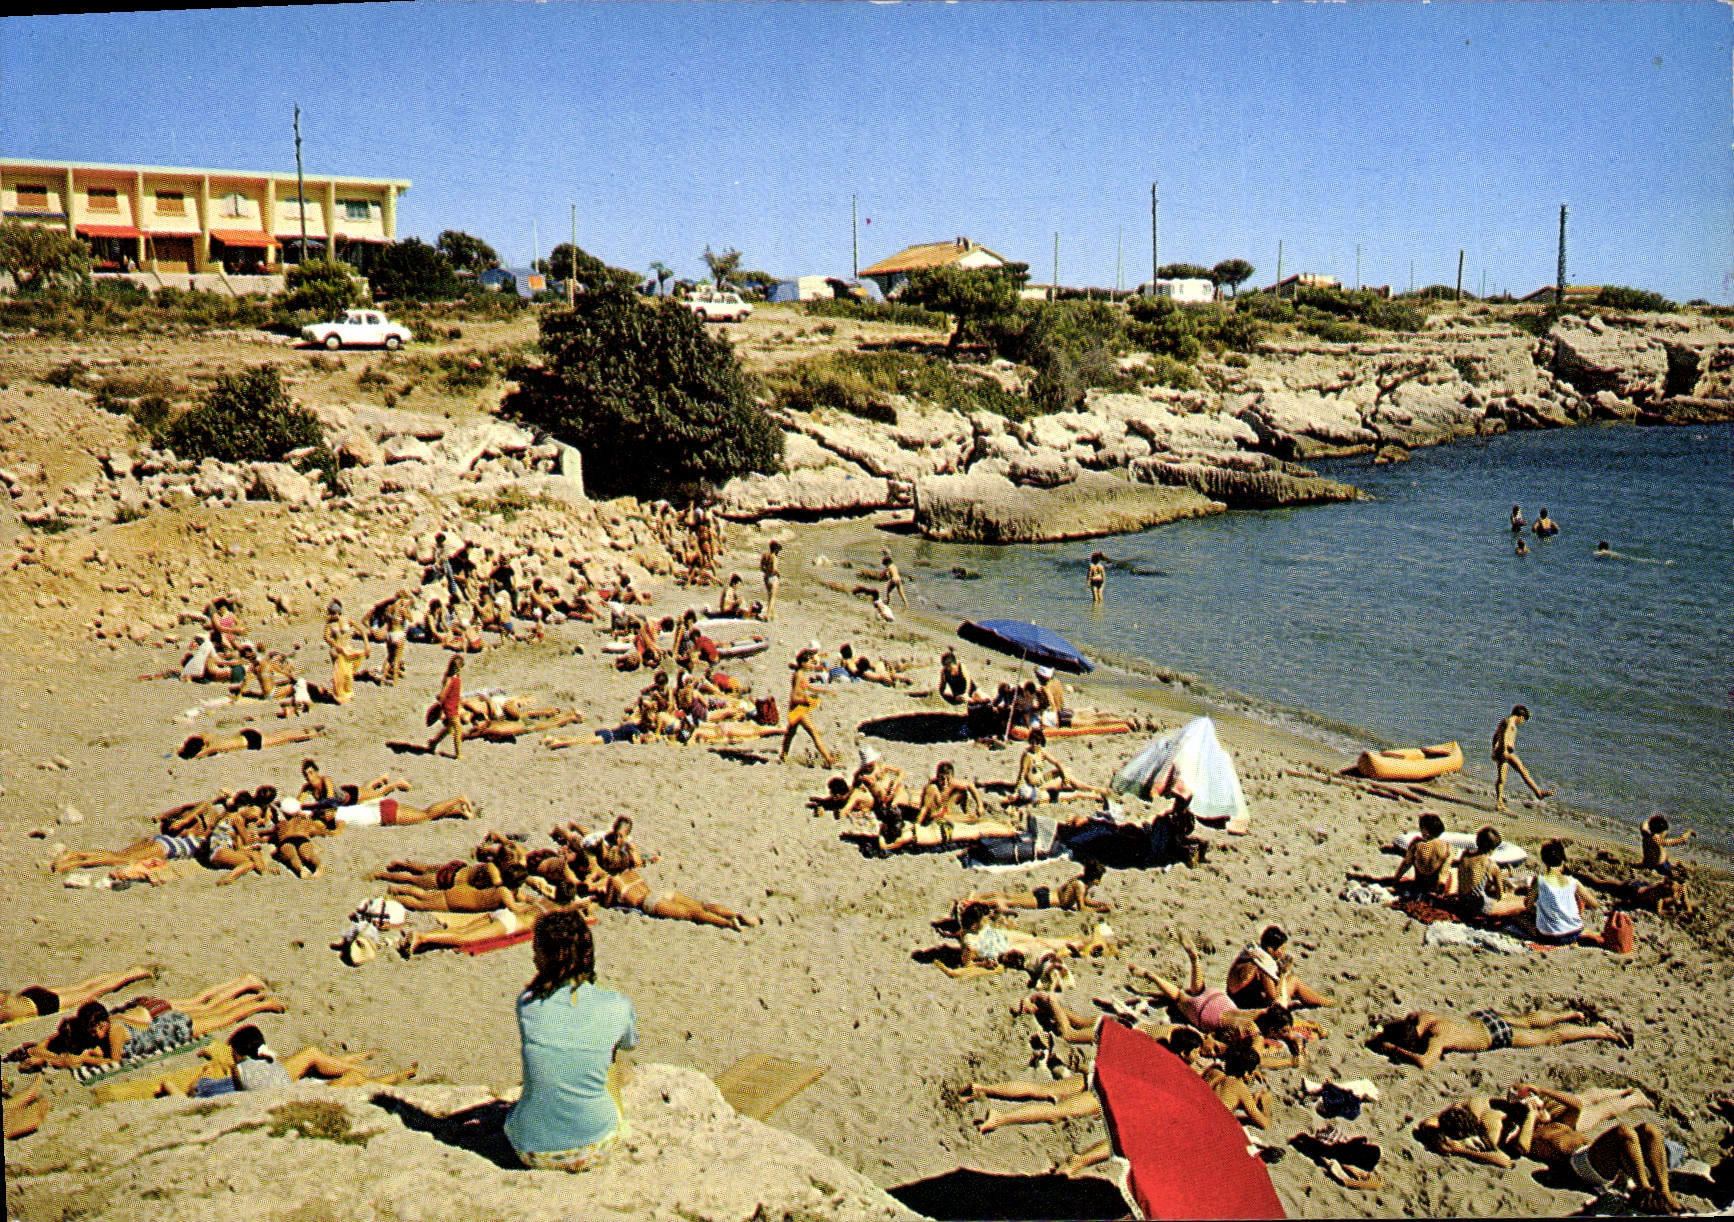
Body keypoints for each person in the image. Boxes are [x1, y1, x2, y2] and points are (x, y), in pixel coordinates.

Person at [501, 908, 637, 1173]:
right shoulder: (617, 1005)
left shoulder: (526, 1003)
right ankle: (614, 1121)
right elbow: (629, 1043)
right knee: (609, 1059)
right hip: (594, 1145)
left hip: (529, 1149)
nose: (532, 957)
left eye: (536, 952)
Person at [1422, 1084, 1682, 1214]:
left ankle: (1663, 1192)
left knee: (1648, 1129)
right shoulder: (1528, 1132)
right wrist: (1531, 1116)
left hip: (1596, 1157)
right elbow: (1520, 1149)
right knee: (1624, 1131)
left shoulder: (1560, 1123)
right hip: (1580, 1165)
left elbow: (1577, 1104)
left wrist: (1541, 1090)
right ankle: (1646, 1191)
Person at [17, 977, 286, 1071]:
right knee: (214, 1010)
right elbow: (50, 1044)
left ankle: (261, 1004)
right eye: (95, 1029)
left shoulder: (115, 1033)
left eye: (100, 1027)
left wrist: (86, 1060)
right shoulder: (107, 1027)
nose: (99, 1032)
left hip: (172, 1030)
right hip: (164, 1026)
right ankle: (255, 997)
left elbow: (114, 1061)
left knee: (222, 1016)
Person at [1126, 933, 1304, 1055]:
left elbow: (1279, 1002)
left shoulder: (1267, 1012)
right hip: (1206, 1014)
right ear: (1272, 1030)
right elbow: (1244, 1054)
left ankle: (1195, 960)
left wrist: (1282, 975)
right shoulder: (1252, 1033)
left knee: (1199, 990)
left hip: (1220, 999)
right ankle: (1151, 976)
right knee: (1179, 997)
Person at [1370, 1006, 1626, 1071]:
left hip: (1493, 1035)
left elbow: (1425, 1063)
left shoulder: (1438, 1037)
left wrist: (1395, 1049)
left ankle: (1600, 1031)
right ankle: (1572, 1014)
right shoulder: (1421, 1016)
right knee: (1528, 1019)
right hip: (1481, 1018)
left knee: (1551, 1038)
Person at [939, 902, 1113, 979]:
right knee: (1041, 946)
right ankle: (1087, 944)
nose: (987, 920)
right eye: (984, 919)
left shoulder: (972, 930)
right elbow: (967, 964)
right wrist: (983, 964)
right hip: (1004, 948)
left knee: (1042, 941)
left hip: (1004, 939)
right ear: (976, 923)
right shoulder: (970, 942)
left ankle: (1085, 941)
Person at [1225, 926, 1333, 1010]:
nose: (1282, 953)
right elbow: (1274, 1001)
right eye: (1281, 949)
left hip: (1234, 998)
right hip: (1246, 1007)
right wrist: (1283, 973)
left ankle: (1321, 1001)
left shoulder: (1251, 953)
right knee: (1294, 981)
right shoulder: (1263, 965)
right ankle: (1326, 1003)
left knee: (1289, 983)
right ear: (1270, 949)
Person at [956, 858, 1112, 916]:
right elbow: (1081, 908)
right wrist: (1099, 910)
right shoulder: (1080, 886)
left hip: (1045, 892)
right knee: (1009, 901)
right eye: (1098, 879)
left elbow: (1083, 901)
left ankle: (974, 898)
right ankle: (972, 903)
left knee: (1008, 896)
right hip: (1045, 900)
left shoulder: (1080, 880)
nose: (1099, 882)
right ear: (1094, 878)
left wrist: (1099, 904)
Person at [0, 967, 154, 1025]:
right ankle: (124, 972)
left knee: (92, 992)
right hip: (28, 995)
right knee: (82, 986)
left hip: (41, 1004)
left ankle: (135, 973)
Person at [1519, 839, 1598, 946]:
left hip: (1551, 938)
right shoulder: (1573, 882)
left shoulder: (1539, 881)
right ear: (1563, 860)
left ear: (1544, 860)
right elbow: (1594, 904)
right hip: (1575, 932)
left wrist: (1538, 911)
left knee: (1521, 917)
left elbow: (1528, 905)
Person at [1452, 826, 1526, 922]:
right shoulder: (1491, 865)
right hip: (1479, 908)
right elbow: (1500, 896)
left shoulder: (1465, 856)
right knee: (1522, 901)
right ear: (1493, 849)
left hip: (1462, 902)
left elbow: (1474, 875)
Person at [1011, 728, 1104, 805]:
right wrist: (1016, 791)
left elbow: (1057, 762)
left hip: (1042, 780)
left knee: (1066, 772)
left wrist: (1064, 775)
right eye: (1033, 743)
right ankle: (1094, 795)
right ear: (1030, 742)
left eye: (1037, 743)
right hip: (1037, 786)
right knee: (1071, 789)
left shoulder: (1041, 752)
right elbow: (1022, 774)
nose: (1035, 745)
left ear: (1041, 742)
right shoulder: (1028, 755)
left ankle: (1093, 789)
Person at [779, 648, 836, 767]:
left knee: (791, 733)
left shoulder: (799, 673)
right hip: (799, 709)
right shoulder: (799, 675)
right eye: (810, 662)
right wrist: (807, 700)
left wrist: (824, 691)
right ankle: (828, 758)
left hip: (797, 708)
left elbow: (807, 687)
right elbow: (794, 696)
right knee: (813, 732)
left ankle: (783, 755)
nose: (812, 665)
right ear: (803, 663)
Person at [1492, 705, 1553, 811]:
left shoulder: (1508, 722)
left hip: (1504, 751)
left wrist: (1496, 748)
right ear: (1520, 716)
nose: (1522, 722)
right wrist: (1503, 749)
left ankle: (1500, 803)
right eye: (1523, 720)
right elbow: (1502, 736)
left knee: (1511, 774)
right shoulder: (1509, 723)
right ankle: (1537, 793)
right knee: (1513, 774)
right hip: (1504, 752)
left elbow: (1495, 736)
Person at [323, 600, 368, 706]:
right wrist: (336, 646)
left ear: (339, 612)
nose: (332, 616)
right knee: (340, 675)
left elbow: (362, 631)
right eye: (331, 613)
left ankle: (347, 692)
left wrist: (367, 644)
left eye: (334, 613)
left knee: (348, 674)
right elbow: (326, 637)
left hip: (348, 649)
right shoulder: (329, 624)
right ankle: (340, 695)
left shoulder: (347, 620)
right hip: (337, 650)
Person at [426, 654, 464, 759]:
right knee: (458, 729)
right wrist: (441, 702)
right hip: (450, 707)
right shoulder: (450, 678)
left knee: (450, 729)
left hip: (454, 704)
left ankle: (433, 743)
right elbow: (442, 695)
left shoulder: (454, 677)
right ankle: (458, 754)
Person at [760, 540, 782, 621]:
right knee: (772, 597)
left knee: (770, 596)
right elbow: (774, 569)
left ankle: (772, 614)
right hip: (773, 578)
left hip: (766, 577)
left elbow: (762, 568)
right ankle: (768, 615)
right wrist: (778, 573)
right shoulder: (774, 558)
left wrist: (767, 571)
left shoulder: (765, 556)